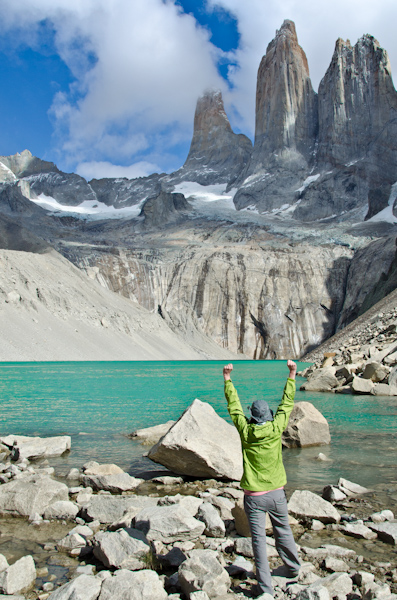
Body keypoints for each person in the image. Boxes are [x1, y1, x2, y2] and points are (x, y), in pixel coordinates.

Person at [223, 360, 300, 598]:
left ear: (253, 417)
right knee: (283, 531)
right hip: (277, 493)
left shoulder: (246, 432)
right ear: (268, 415)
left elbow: (234, 409)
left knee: (259, 542)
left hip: (254, 497)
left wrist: (227, 380)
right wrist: (292, 375)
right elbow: (286, 405)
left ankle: (265, 588)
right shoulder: (277, 428)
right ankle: (293, 568)